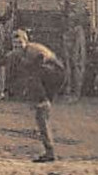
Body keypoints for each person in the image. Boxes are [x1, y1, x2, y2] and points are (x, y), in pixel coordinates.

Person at [8, 28, 67, 162]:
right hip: (48, 77)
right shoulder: (20, 53)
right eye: (15, 45)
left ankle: (50, 152)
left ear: (26, 42)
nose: (17, 47)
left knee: (41, 112)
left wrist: (42, 97)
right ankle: (49, 151)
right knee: (41, 116)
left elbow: (39, 65)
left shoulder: (34, 50)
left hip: (56, 74)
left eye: (20, 44)